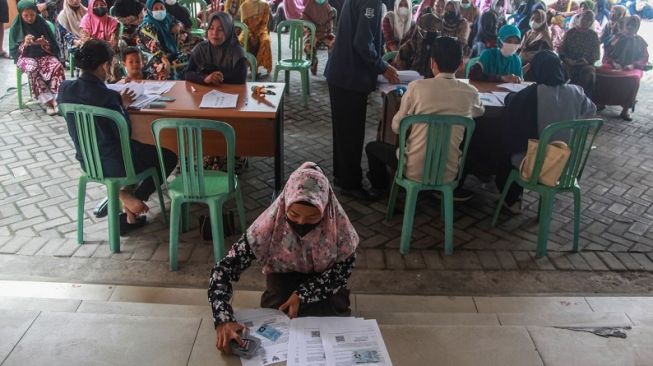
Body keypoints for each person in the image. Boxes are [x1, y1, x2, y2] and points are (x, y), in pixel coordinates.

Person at [209, 162, 358, 353]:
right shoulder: (267, 228)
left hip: (325, 278)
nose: (301, 224)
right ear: (284, 204)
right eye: (293, 215)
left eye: (312, 219)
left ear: (326, 210)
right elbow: (223, 270)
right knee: (277, 316)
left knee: (332, 316)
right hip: (283, 275)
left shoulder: (339, 228)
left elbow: (342, 271)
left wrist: (303, 294)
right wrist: (223, 319)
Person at [58, 39, 177, 231]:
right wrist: (123, 106)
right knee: (169, 155)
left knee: (139, 153)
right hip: (118, 163)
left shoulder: (65, 90)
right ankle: (135, 197)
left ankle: (127, 209)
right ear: (105, 65)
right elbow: (125, 132)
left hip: (88, 161)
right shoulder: (110, 97)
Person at [365, 36, 484, 192]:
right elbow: (479, 111)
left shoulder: (416, 87)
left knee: (372, 148)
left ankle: (380, 189)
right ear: (461, 64)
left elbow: (397, 126)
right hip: (449, 173)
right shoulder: (471, 92)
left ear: (432, 63)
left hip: (413, 169)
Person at [496, 50, 596, 212]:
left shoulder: (530, 94)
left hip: (536, 164)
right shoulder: (576, 92)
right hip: (567, 164)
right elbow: (591, 113)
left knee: (506, 150)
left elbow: (510, 101)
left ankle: (512, 201)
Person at [325, 0, 400, 201]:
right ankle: (350, 184)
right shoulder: (371, 2)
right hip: (349, 77)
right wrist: (383, 66)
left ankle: (342, 176)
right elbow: (362, 43)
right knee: (351, 133)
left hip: (342, 75)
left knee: (343, 131)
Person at [9, 0, 65, 115]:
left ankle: (58, 99)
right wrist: (24, 43)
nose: (29, 18)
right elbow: (14, 52)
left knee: (57, 66)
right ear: (20, 14)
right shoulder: (16, 27)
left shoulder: (41, 23)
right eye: (26, 15)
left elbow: (53, 46)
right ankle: (48, 102)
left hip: (43, 55)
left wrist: (44, 43)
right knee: (33, 68)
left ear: (36, 13)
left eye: (32, 15)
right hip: (25, 58)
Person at [594, 15, 648, 121]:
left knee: (634, 79)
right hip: (613, 64)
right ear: (624, 25)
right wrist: (613, 63)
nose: (630, 28)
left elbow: (644, 57)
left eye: (633, 26)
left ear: (637, 27)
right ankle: (601, 101)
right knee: (600, 72)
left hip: (633, 67)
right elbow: (607, 54)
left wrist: (633, 65)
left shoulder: (640, 41)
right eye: (628, 25)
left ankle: (625, 110)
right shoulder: (616, 38)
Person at [185, 11, 248, 85]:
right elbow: (187, 73)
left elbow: (240, 78)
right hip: (205, 92)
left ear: (228, 31)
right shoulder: (201, 48)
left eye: (220, 29)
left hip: (230, 93)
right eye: (211, 28)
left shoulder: (237, 51)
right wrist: (204, 78)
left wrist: (217, 78)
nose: (215, 33)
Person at [138, 0, 187, 79]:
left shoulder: (167, 17)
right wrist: (165, 60)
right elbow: (154, 48)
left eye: (161, 7)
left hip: (168, 53)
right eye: (156, 9)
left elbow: (177, 22)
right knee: (162, 68)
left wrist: (178, 25)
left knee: (189, 58)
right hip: (152, 57)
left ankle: (181, 81)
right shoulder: (146, 26)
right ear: (150, 10)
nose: (159, 11)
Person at [559, 10, 600, 96]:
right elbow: (561, 50)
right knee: (558, 70)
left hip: (585, 64)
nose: (585, 21)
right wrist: (567, 60)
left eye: (589, 20)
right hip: (568, 62)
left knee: (589, 74)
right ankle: (561, 97)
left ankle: (584, 99)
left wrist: (587, 61)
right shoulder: (570, 33)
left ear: (591, 22)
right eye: (583, 18)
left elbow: (596, 56)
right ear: (579, 18)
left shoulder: (593, 36)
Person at [80, 0, 122, 81]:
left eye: (102, 4)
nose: (99, 7)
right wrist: (102, 44)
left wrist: (98, 44)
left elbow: (113, 43)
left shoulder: (113, 22)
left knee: (114, 67)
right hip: (91, 51)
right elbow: (86, 40)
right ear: (91, 7)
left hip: (108, 51)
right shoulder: (86, 20)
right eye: (96, 5)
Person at [393, 12, 441, 77]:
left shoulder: (440, 49)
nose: (433, 32)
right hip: (410, 83)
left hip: (433, 84)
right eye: (429, 29)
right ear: (420, 30)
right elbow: (400, 73)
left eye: (436, 30)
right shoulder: (408, 48)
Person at [239, 0, 273, 76]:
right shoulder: (244, 6)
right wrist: (251, 35)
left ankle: (256, 68)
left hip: (261, 31)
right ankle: (241, 67)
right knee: (240, 41)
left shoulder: (265, 5)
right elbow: (244, 25)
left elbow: (264, 24)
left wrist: (257, 35)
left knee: (266, 41)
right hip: (247, 31)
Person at [302, 0, 336, 75]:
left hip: (325, 33)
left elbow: (330, 22)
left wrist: (328, 30)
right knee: (308, 46)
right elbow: (305, 20)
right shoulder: (310, 4)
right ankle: (313, 62)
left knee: (334, 43)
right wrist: (310, 30)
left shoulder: (326, 5)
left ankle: (331, 66)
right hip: (312, 33)